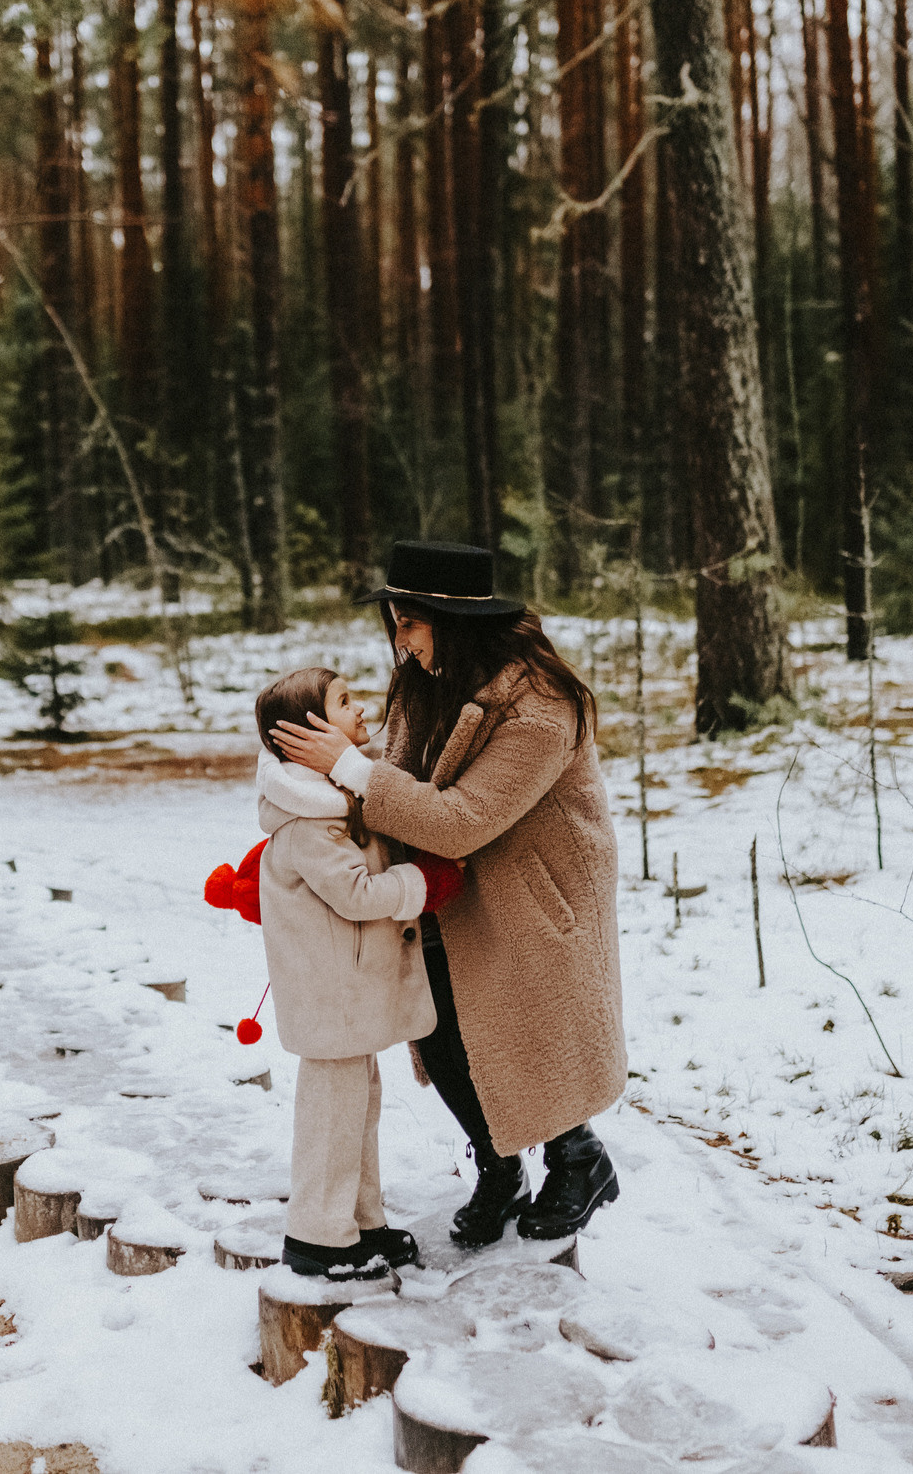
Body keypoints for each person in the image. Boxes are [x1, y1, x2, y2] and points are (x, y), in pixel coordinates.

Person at [270, 540, 626, 1248]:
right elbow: (394, 778)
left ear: (451, 620)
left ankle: (577, 1157)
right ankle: (499, 1166)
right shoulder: (426, 679)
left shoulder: (542, 706)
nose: (400, 641)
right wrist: (309, 817)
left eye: (410, 623)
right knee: (438, 1029)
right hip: (449, 883)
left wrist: (346, 766)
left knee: (528, 1027)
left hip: (534, 891)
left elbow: (463, 819)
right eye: (396, 623)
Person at [247, 666, 464, 1279]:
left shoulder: (332, 801)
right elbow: (355, 893)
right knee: (331, 1117)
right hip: (329, 994)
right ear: (308, 732)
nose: (361, 709)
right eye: (344, 703)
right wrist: (423, 885)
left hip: (347, 993)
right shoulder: (310, 819)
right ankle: (317, 1235)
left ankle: (361, 1221)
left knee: (358, 1107)